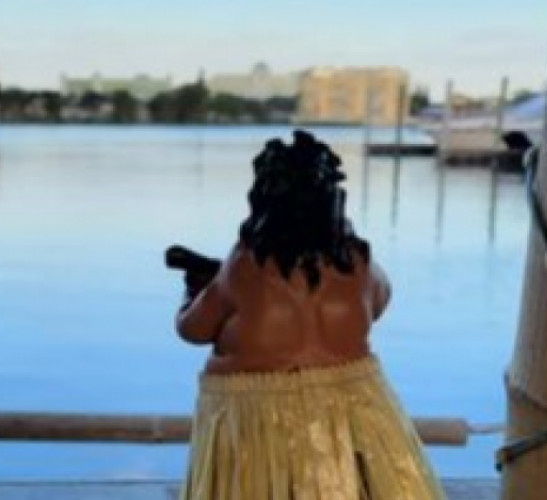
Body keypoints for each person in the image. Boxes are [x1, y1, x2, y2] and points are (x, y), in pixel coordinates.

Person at [174, 131, 446, 499]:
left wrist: (194, 290)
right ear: (333, 198)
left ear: (263, 198)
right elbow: (379, 302)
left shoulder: (242, 265)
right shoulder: (358, 260)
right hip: (355, 411)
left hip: (261, 423)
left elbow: (193, 329)